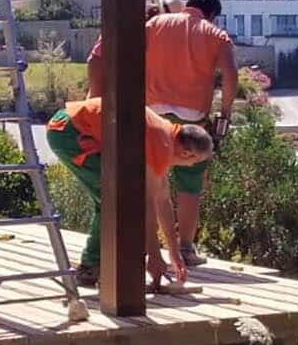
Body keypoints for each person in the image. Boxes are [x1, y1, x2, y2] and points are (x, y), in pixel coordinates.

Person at [87, 0, 239, 268]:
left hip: (151, 116)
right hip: (192, 117)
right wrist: (225, 115)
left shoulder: (153, 24)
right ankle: (186, 249)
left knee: (151, 182)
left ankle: (146, 247)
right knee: (190, 183)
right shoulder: (216, 35)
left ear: (188, 6)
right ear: (212, 15)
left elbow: (117, 54)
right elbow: (230, 75)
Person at [47, 97, 215, 288]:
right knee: (114, 200)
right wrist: (154, 255)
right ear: (187, 153)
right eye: (193, 162)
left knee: (119, 198)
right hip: (70, 132)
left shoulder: (165, 136)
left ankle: (99, 263)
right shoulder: (161, 143)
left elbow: (162, 200)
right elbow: (148, 205)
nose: (190, 165)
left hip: (70, 125)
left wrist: (174, 253)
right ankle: (91, 266)